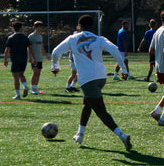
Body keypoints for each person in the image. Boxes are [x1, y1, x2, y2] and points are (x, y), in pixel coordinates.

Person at [49, 14, 132, 150]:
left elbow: (55, 52)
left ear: (79, 26)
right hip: (101, 77)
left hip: (87, 79)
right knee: (86, 104)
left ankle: (122, 135)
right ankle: (80, 134)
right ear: (92, 26)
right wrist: (123, 68)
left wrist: (55, 66)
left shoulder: (72, 38)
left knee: (100, 111)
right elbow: (115, 49)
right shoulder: (99, 39)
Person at [3, 21, 34, 100]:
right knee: (21, 74)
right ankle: (25, 86)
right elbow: (30, 48)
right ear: (20, 28)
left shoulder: (11, 37)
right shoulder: (25, 37)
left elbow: (7, 50)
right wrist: (34, 58)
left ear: (13, 28)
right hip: (23, 59)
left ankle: (17, 95)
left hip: (15, 59)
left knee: (16, 78)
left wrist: (5, 59)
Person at [27, 21, 47, 94]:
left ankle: (35, 88)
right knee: (35, 72)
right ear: (35, 27)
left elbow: (41, 46)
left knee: (38, 73)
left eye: (41, 27)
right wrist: (30, 57)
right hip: (34, 58)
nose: (40, 28)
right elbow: (28, 47)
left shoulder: (40, 36)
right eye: (39, 26)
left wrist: (46, 54)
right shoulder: (31, 36)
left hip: (39, 58)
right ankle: (32, 88)